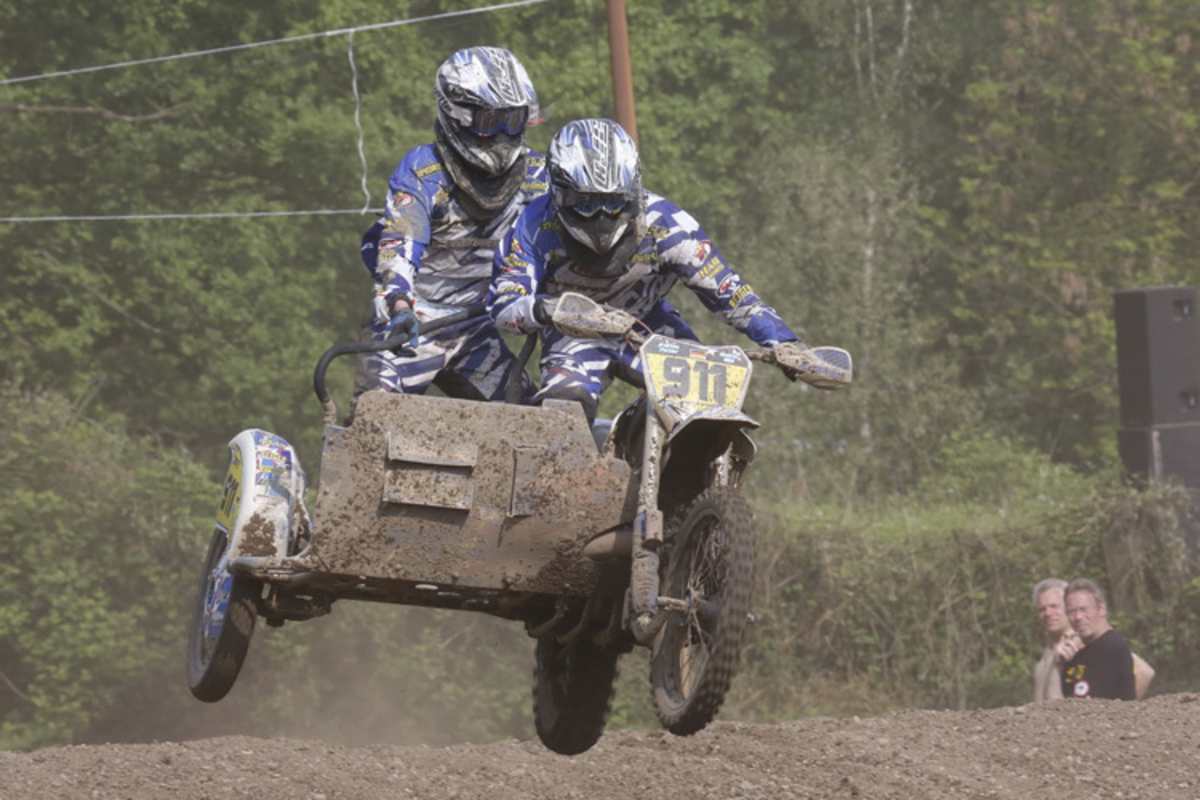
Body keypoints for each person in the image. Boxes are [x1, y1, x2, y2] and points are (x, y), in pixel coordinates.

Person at [486, 117, 822, 418]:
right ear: (559, 194)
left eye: (614, 202)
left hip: (650, 328)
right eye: (586, 204)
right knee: (562, 416)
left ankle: (701, 482)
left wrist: (785, 344)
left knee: (712, 411)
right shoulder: (532, 225)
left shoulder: (670, 226)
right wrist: (547, 310)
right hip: (573, 335)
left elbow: (730, 293)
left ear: (634, 191)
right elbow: (504, 303)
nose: (602, 217)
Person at [359, 46, 546, 403]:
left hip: (476, 329)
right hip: (412, 322)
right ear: (456, 114)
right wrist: (398, 305)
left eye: (514, 119)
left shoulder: (539, 175)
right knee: (372, 415)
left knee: (533, 420)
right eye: (492, 122)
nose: (505, 134)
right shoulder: (423, 170)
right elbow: (400, 241)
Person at [1060, 578, 1139, 701]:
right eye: (1071, 611)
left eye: (1083, 609)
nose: (1078, 617)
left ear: (1101, 609)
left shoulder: (1112, 646)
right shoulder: (1075, 654)